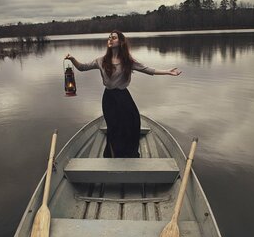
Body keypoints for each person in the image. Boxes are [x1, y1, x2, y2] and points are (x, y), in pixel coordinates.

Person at [64, 30, 182, 158]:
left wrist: (168, 72)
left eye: (113, 37)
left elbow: (147, 70)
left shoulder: (128, 61)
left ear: (120, 42)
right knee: (114, 127)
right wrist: (72, 59)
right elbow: (82, 67)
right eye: (109, 37)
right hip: (109, 98)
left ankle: (129, 152)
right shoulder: (101, 60)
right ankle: (114, 154)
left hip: (123, 97)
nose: (110, 39)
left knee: (133, 122)